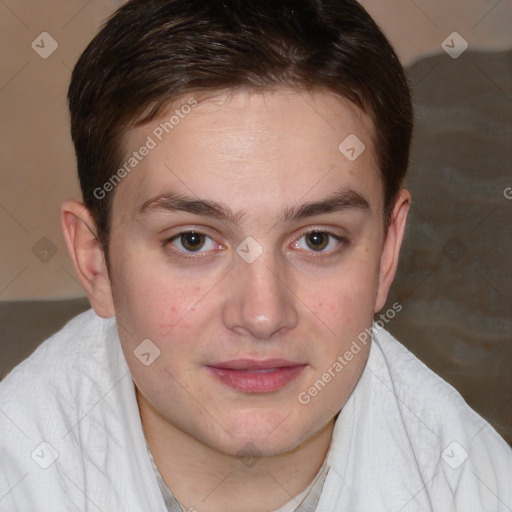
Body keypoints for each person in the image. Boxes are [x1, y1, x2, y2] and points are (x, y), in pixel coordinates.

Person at [0, 0, 511, 510]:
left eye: (317, 239)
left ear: (386, 253)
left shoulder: (475, 486)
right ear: (96, 262)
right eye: (193, 241)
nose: (263, 315)